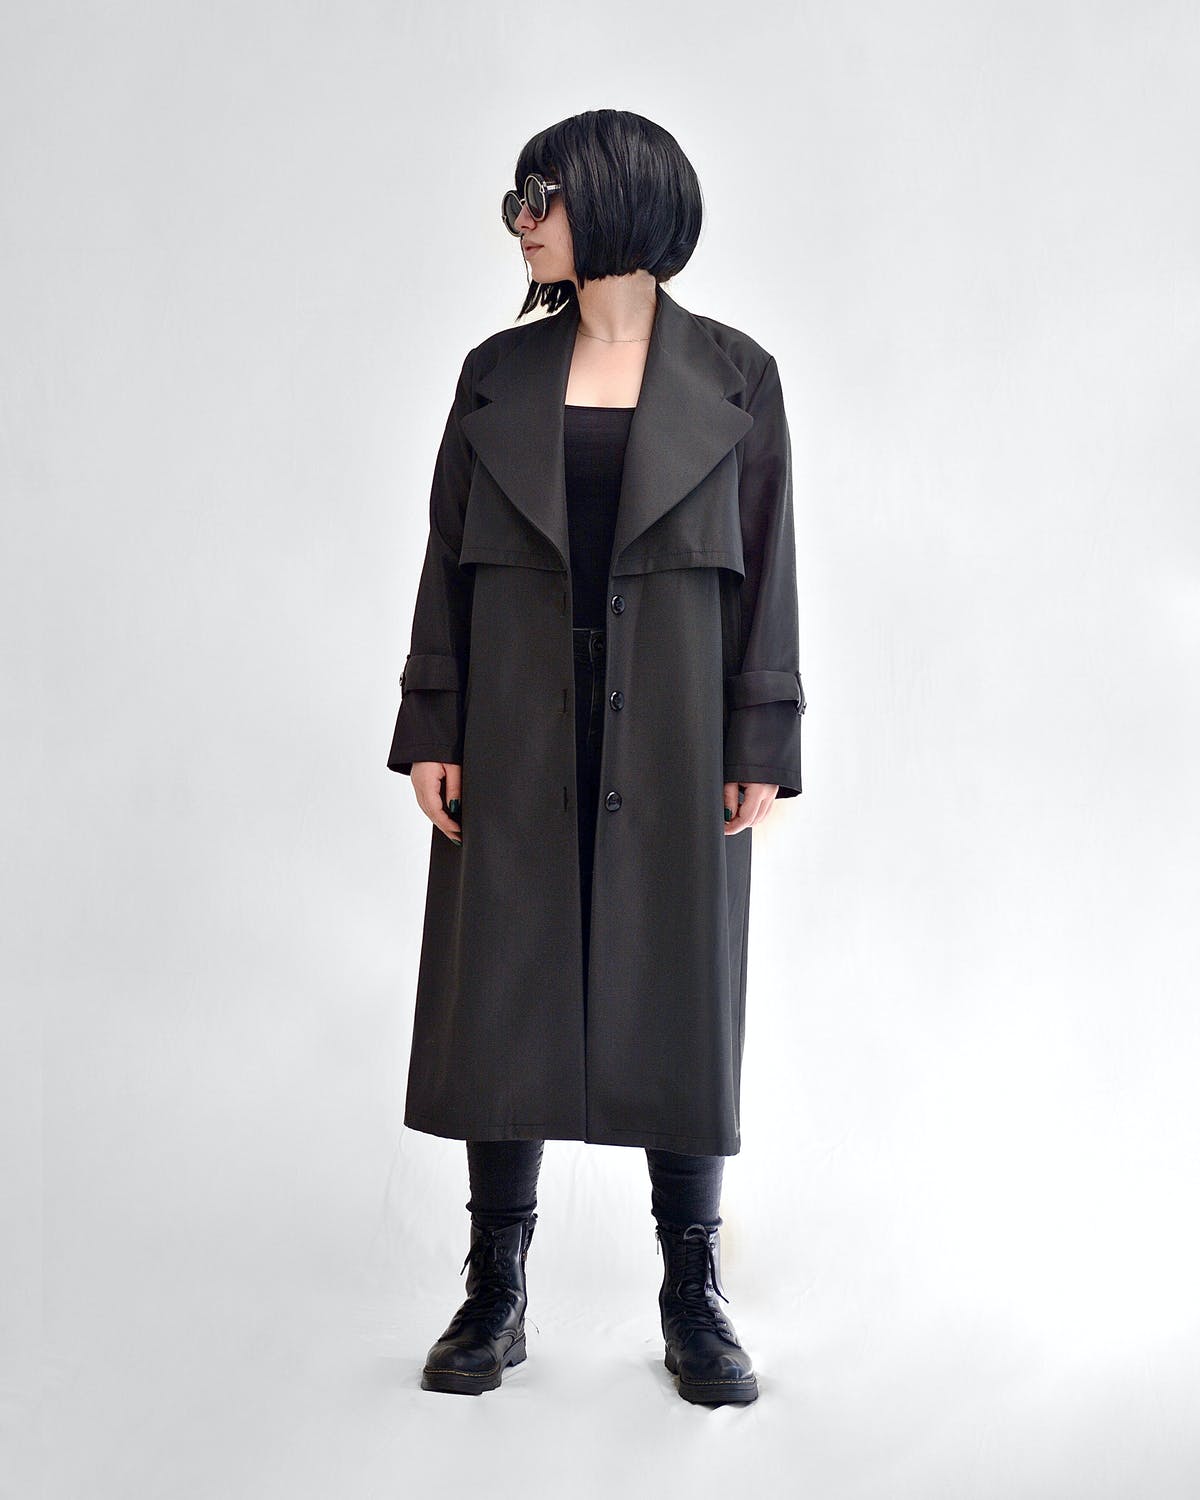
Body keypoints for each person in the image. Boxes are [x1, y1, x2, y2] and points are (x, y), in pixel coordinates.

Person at [387, 109, 805, 1405]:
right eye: (518, 201)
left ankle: (693, 1290)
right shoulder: (493, 376)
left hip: (675, 726)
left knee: (681, 982)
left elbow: (769, 573)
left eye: (544, 198)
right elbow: (444, 558)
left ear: (620, 202)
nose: (523, 223)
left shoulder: (738, 379)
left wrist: (760, 735)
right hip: (514, 717)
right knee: (504, 981)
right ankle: (494, 1288)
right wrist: (434, 722)